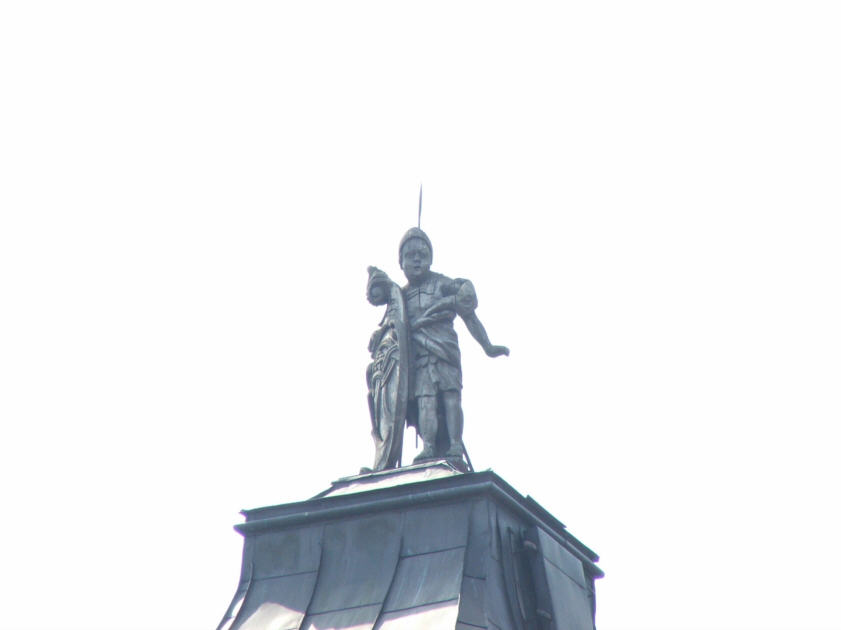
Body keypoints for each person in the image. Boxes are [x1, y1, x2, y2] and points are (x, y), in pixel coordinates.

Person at [397, 227, 509, 464]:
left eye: (422, 254)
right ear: (401, 262)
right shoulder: (400, 296)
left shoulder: (442, 284)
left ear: (431, 258)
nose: (416, 259)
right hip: (419, 357)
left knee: (451, 397)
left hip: (445, 351)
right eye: (410, 255)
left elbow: (468, 312)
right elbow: (392, 329)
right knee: (425, 399)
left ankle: (455, 445)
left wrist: (488, 346)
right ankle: (428, 446)